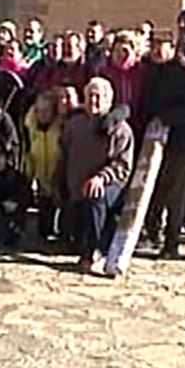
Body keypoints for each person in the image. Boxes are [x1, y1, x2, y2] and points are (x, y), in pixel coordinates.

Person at [139, 32, 185, 257]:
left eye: (164, 46)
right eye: (155, 46)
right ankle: (152, 232)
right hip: (152, 140)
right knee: (153, 190)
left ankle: (172, 242)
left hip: (179, 141)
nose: (158, 51)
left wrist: (169, 117)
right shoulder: (150, 69)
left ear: (173, 47)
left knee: (175, 194)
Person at [55, 77, 134, 272]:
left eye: (99, 97)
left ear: (109, 100)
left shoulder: (121, 130)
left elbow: (122, 165)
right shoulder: (74, 125)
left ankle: (92, 252)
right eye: (90, 96)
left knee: (95, 197)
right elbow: (63, 156)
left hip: (109, 187)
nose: (94, 101)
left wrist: (101, 178)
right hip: (77, 187)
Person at [21, 89, 64, 242]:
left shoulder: (61, 128)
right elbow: (29, 154)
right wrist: (27, 176)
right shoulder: (31, 127)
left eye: (46, 111)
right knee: (43, 222)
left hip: (59, 178)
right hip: (41, 178)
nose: (42, 115)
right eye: (39, 111)